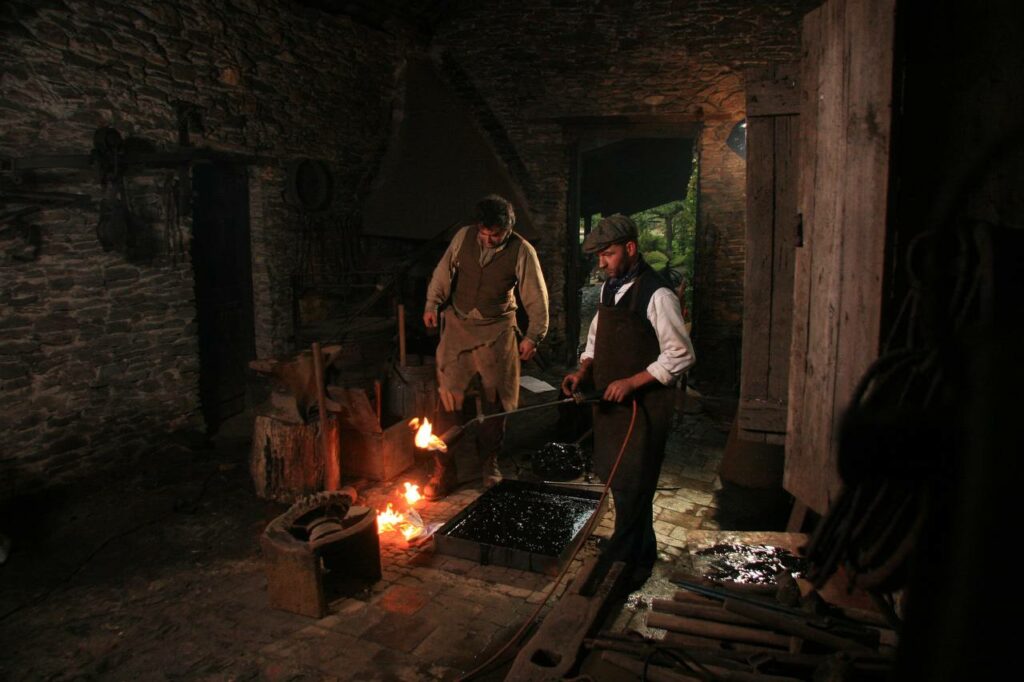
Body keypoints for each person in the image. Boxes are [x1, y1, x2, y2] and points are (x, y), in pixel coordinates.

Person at [561, 214, 696, 591]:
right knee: (621, 482)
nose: (601, 263)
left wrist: (633, 382)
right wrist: (583, 370)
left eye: (608, 254)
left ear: (631, 249)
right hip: (611, 408)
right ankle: (633, 548)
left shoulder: (657, 294)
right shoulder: (610, 289)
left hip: (643, 410)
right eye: (599, 256)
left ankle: (635, 560)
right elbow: (595, 339)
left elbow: (680, 355)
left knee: (637, 484)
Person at [423, 195, 549, 499]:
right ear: (477, 227)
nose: (489, 240)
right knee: (449, 398)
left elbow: (536, 294)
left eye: (496, 235)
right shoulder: (463, 237)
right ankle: (445, 469)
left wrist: (533, 335)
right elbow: (443, 271)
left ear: (508, 229)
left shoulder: (522, 250)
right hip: (459, 325)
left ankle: (489, 463)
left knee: (496, 401)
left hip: (498, 329)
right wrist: (432, 302)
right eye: (485, 233)